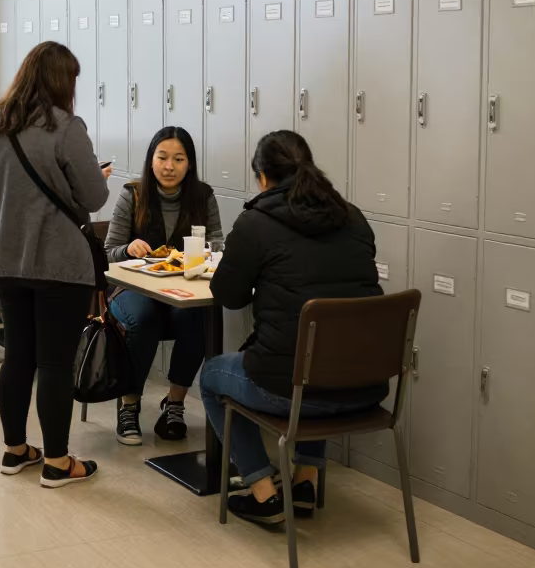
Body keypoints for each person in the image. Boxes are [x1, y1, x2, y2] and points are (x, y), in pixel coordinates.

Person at [202, 130, 384, 525]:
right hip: (365, 385)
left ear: (263, 177)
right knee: (318, 356)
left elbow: (227, 295)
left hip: (297, 390)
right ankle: (305, 482)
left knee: (212, 376)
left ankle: (263, 492)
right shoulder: (352, 217)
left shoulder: (256, 223)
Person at [0, 41, 111, 488]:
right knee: (54, 364)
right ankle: (57, 461)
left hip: (4, 260)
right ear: (62, 81)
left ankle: (15, 450)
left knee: (18, 356)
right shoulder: (66, 128)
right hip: (57, 264)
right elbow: (93, 198)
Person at [103, 126, 222, 445]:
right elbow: (108, 252)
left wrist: (207, 252)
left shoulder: (203, 196)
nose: (169, 166)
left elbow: (217, 244)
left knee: (195, 317)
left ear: (190, 163)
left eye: (179, 159)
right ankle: (129, 404)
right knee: (143, 318)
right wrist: (128, 249)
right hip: (131, 290)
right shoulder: (134, 193)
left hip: (181, 291)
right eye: (163, 157)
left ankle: (175, 403)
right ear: (151, 160)